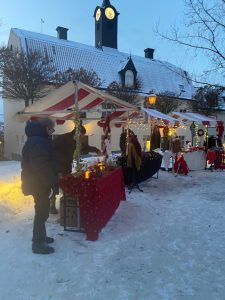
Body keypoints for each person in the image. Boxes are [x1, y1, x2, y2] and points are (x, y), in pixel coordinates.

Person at [21, 117, 59, 254]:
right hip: (38, 183)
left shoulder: (40, 139)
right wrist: (53, 183)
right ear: (45, 128)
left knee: (42, 212)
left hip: (40, 182)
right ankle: (37, 244)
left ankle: (40, 237)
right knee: (41, 212)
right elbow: (41, 166)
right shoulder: (38, 141)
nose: (52, 132)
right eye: (51, 129)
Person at [50, 125, 86, 213]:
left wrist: (95, 149)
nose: (83, 136)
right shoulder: (64, 138)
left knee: (66, 186)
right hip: (58, 167)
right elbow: (52, 146)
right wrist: (58, 159)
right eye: (82, 134)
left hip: (66, 167)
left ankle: (65, 204)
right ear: (78, 133)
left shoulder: (75, 141)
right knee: (56, 186)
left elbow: (83, 147)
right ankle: (52, 206)